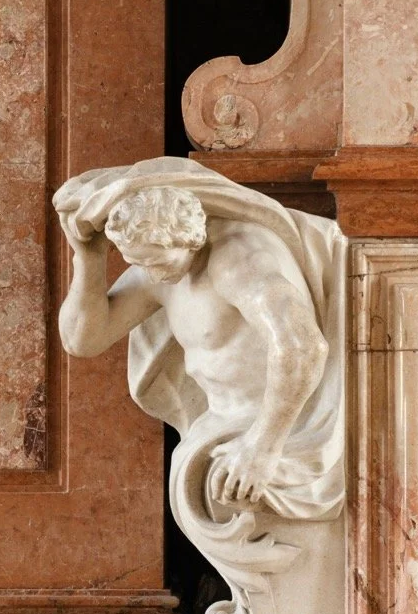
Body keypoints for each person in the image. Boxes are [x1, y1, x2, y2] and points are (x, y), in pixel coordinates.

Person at [58, 185, 327, 507]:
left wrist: (263, 448)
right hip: (218, 430)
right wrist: (89, 257)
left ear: (189, 237)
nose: (152, 274)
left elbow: (302, 344)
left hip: (280, 434)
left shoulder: (239, 260)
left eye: (158, 262)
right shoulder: (157, 266)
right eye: (138, 262)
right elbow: (83, 341)